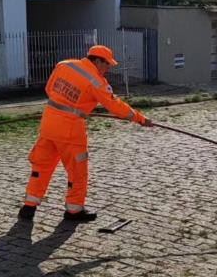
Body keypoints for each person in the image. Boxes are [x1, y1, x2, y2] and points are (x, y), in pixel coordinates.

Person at [19, 45, 151, 223]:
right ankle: (74, 211)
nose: (108, 68)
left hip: (48, 124)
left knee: (40, 168)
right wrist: (140, 119)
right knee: (77, 172)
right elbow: (115, 106)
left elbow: (50, 89)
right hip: (71, 131)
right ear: (97, 60)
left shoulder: (64, 65)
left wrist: (66, 104)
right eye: (107, 64)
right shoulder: (96, 82)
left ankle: (29, 207)